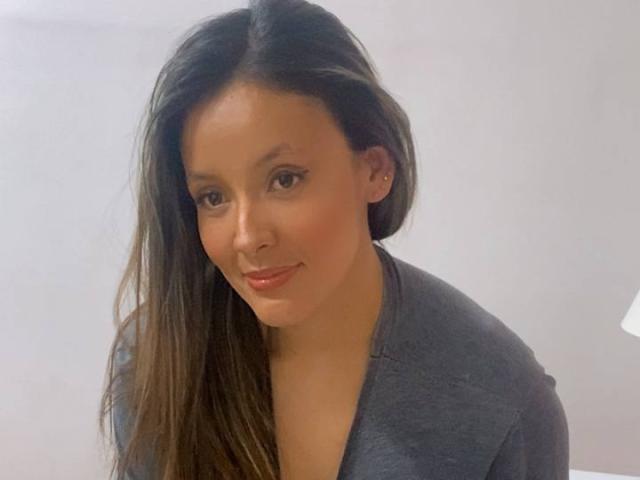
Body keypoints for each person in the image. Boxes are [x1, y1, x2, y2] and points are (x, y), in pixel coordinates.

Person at [98, 0, 570, 478]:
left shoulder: (502, 403)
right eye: (213, 196)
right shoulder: (156, 362)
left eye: (284, 179)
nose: (247, 237)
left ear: (375, 169)